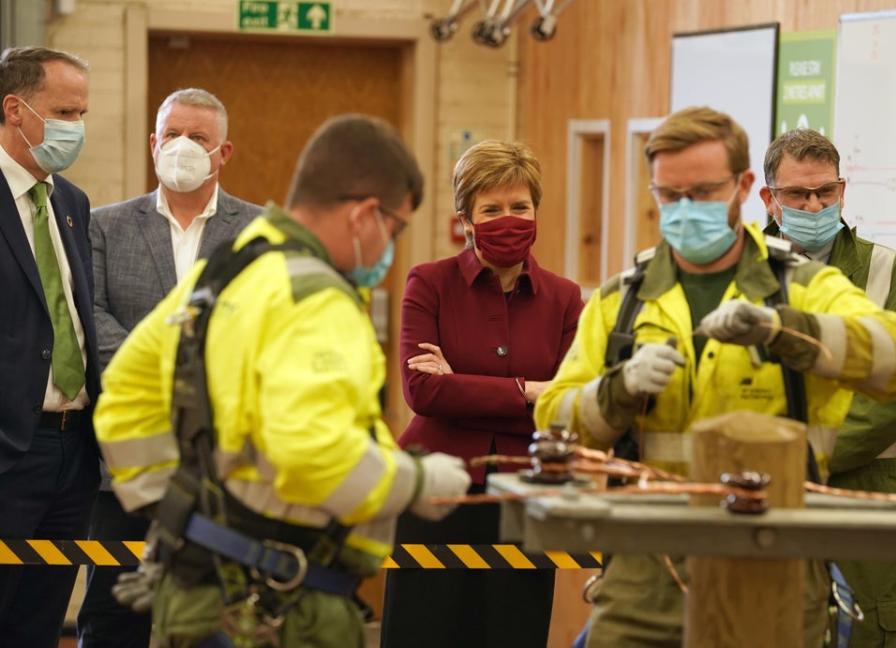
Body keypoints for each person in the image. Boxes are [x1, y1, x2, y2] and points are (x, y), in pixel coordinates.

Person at [534, 106, 896, 648]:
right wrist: (616, 391)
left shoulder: (801, 286)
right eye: (670, 196)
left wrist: (787, 330)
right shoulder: (620, 300)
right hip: (645, 581)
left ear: (742, 188)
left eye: (703, 192)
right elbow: (553, 420)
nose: (686, 208)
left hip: (773, 569)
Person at [93, 114, 471, 647]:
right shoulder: (316, 298)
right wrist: (417, 482)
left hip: (198, 587)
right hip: (282, 609)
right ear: (364, 215)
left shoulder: (224, 271)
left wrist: (180, 512)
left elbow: (126, 395)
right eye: (395, 227)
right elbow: (311, 451)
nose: (390, 246)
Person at [380, 140, 583, 648]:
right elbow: (422, 391)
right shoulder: (428, 283)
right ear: (466, 219)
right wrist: (528, 391)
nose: (508, 219)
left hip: (528, 495)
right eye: (491, 210)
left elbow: (565, 405)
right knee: (422, 632)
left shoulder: (564, 297)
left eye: (520, 207)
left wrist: (462, 387)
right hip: (435, 493)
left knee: (513, 632)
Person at [78, 87, 261, 648]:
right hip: (128, 462)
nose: (183, 146)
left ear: (223, 153)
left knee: (219, 621)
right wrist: (165, 379)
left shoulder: (259, 231)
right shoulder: (102, 225)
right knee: (113, 617)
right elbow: (93, 318)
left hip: (224, 465)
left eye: (198, 137)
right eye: (172, 135)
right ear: (153, 144)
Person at [760, 128, 896, 647]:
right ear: (769, 199)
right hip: (761, 498)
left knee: (868, 632)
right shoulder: (739, 272)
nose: (813, 205)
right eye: (796, 194)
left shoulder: (891, 273)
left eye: (825, 192)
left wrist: (805, 453)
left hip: (865, 495)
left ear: (842, 190)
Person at [0, 46, 101, 648]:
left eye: (83, 113)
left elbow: (75, 318)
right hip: (10, 449)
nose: (76, 129)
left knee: (39, 622)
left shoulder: (71, 202)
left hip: (73, 449)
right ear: (15, 110)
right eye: (65, 112)